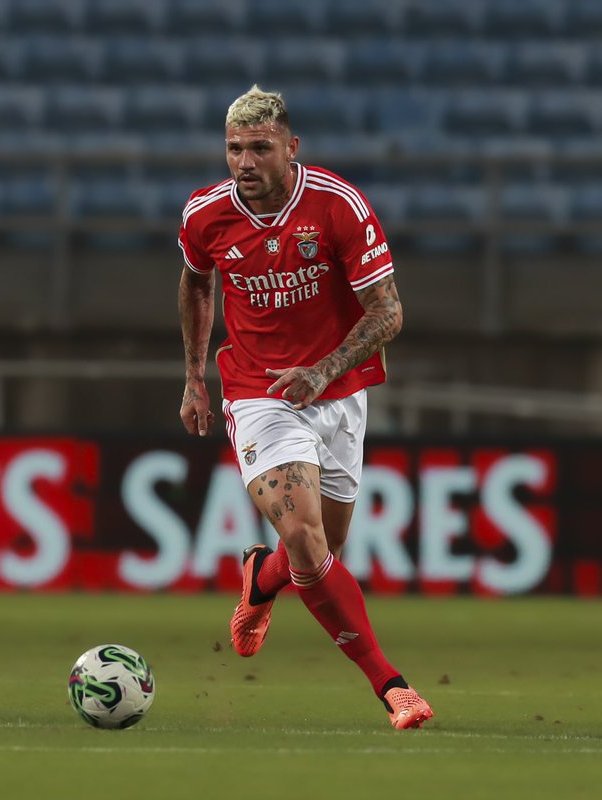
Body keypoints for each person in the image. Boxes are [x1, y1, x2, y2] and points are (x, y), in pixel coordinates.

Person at [177, 85, 433, 729]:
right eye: (234, 149)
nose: (244, 162)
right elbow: (195, 282)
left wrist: (322, 372)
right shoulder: (205, 216)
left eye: (260, 148)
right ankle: (391, 685)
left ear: (291, 149)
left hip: (336, 393)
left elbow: (390, 311)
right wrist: (193, 376)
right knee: (304, 536)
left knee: (320, 552)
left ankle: (261, 580)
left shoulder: (337, 206)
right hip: (257, 392)